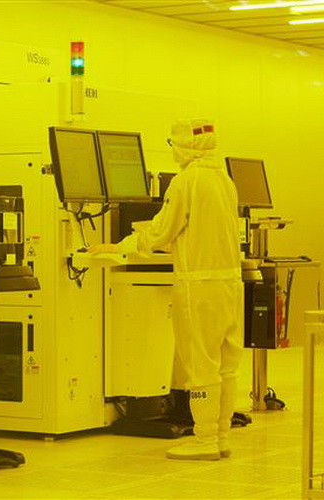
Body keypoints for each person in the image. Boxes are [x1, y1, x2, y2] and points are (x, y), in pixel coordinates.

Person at [90, 119, 243, 460]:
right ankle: (221, 436)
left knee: (200, 364)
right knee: (226, 366)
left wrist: (122, 245)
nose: (172, 151)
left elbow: (162, 231)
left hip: (198, 285)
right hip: (230, 283)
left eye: (172, 143)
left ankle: (204, 440)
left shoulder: (186, 181)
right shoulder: (224, 179)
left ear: (184, 145)